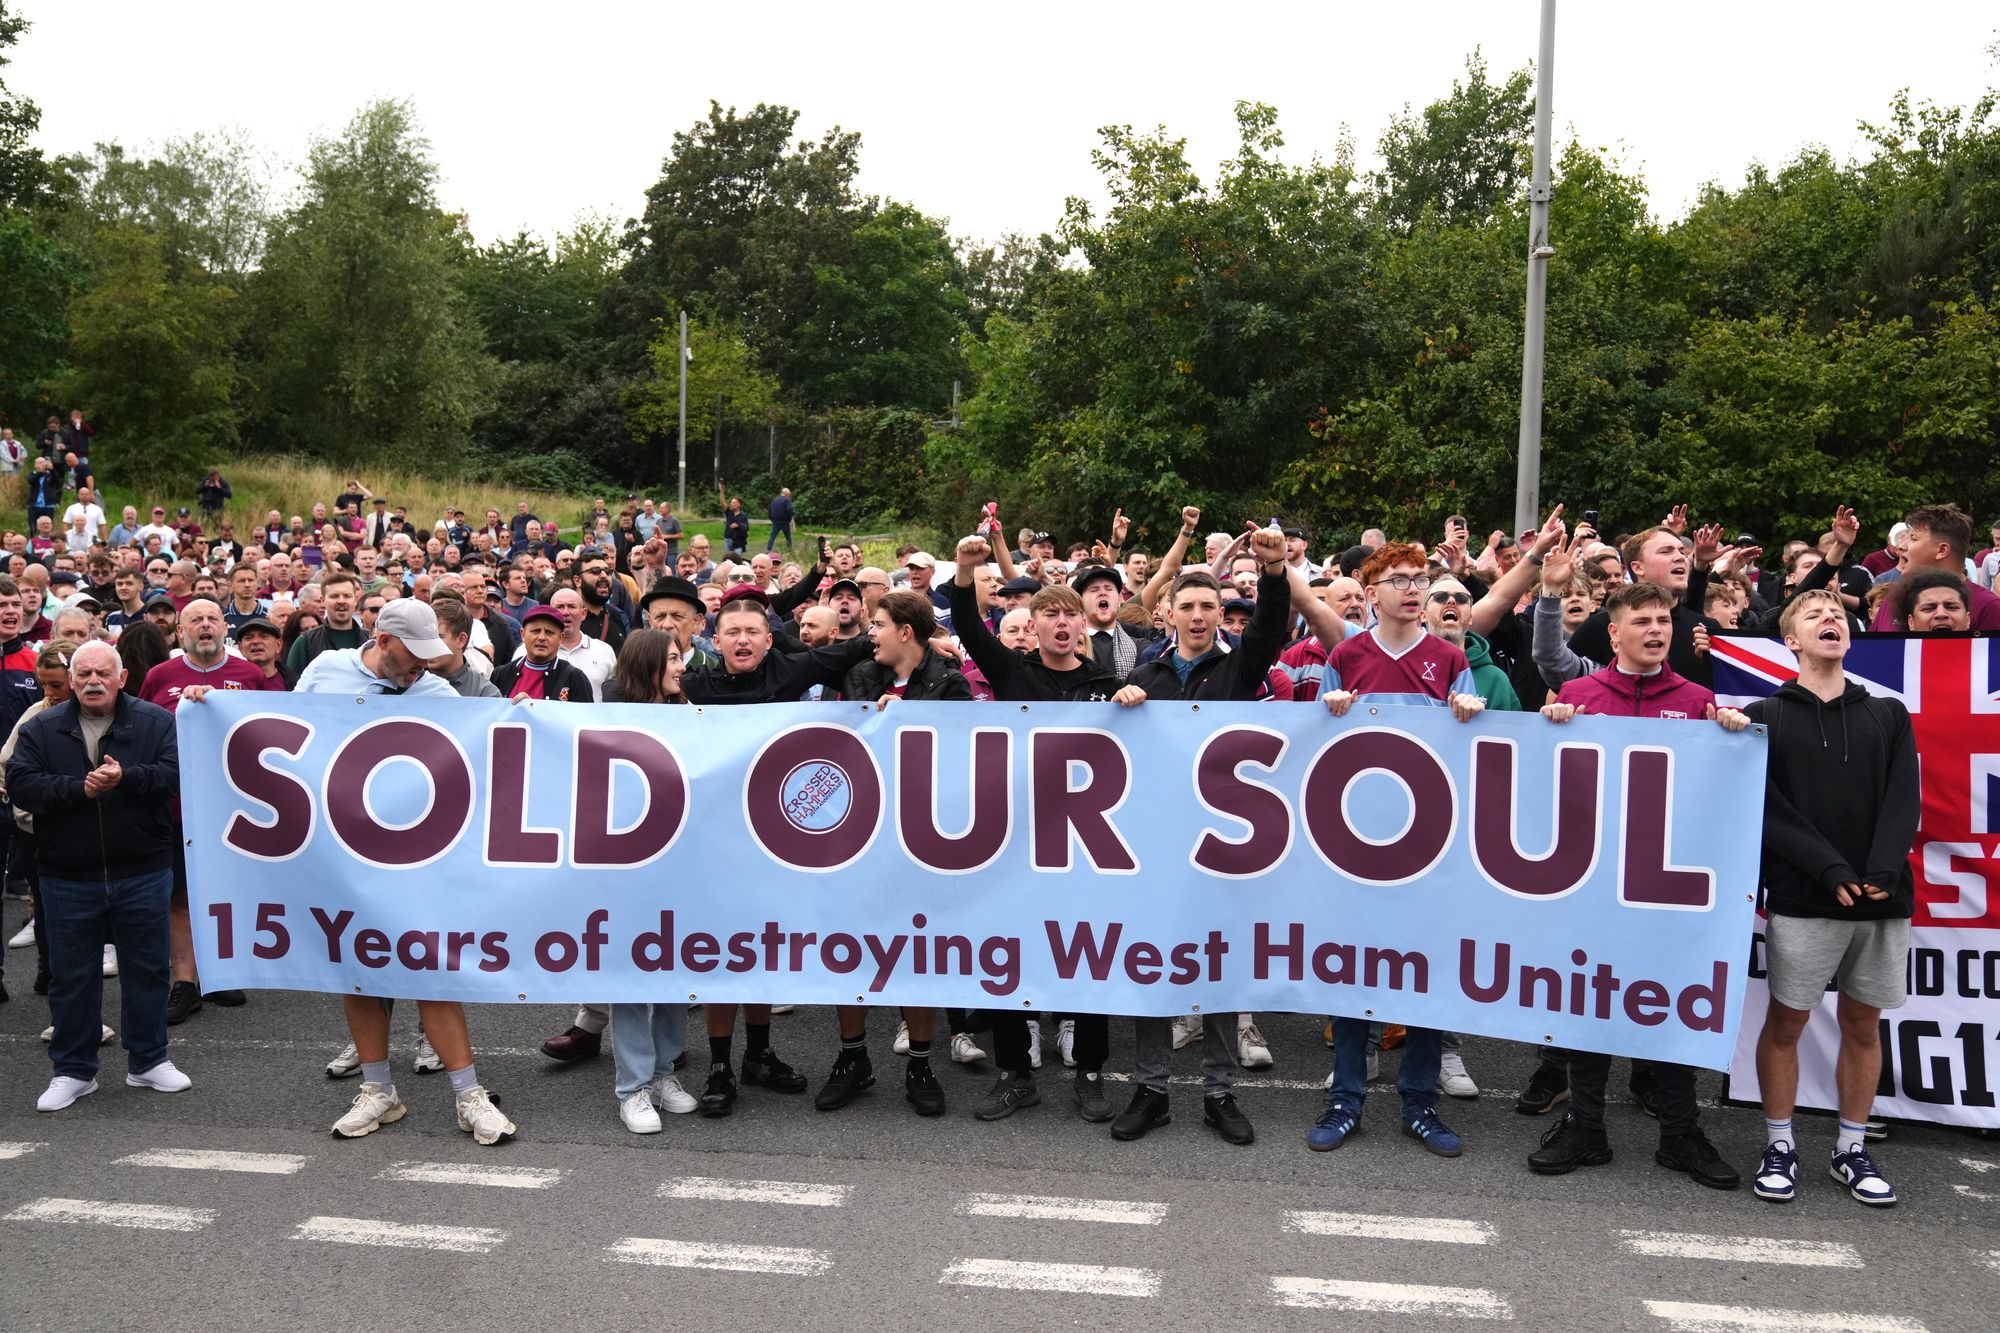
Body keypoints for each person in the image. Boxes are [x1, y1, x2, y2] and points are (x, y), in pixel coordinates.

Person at [1524, 582, 1752, 1189]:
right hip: (1593, 885)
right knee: (1589, 1006)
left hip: (1667, 889)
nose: (1657, 631)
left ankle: (1681, 1135)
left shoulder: (1701, 699)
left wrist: (1730, 737)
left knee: (1670, 1006)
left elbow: (1722, 791)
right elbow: (1541, 791)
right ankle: (1585, 1127)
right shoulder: (1576, 695)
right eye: (1643, 622)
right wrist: (1550, 731)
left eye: (1664, 622)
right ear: (1614, 632)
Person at [267, 600, 516, 1145]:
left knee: (429, 970)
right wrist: (205, 705)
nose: (421, 667)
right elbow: (280, 734)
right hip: (341, 851)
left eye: (431, 656)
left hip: (418, 856)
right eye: (412, 655)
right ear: (382, 640)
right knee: (358, 969)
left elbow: (480, 759)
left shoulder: (438, 692)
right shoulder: (324, 669)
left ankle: (468, 1095)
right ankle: (379, 1090)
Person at [1111, 525, 1291, 1148]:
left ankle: (1219, 1092)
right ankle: (1152, 1089)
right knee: (1156, 965)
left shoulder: (1239, 664)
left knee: (1217, 967)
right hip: (1158, 849)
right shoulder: (1150, 676)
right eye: (1186, 606)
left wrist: (1272, 573)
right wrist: (1122, 701)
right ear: (1167, 612)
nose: (1195, 615)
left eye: (1207, 606)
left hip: (1223, 849)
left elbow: (1270, 626)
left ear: (1221, 613)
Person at [1309, 542, 1486, 1160]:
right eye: (1399, 581)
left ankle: (1418, 1101)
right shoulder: (1346, 655)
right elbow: (1313, 751)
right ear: (1371, 591)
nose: (1413, 591)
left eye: (1422, 581)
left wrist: (1468, 715)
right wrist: (1328, 715)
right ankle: (1347, 1096)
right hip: (1355, 846)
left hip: (1426, 849)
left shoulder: (1447, 657)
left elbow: (1468, 756)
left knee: (1423, 971)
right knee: (1355, 968)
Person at [1745, 588, 1920, 1207]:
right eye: (1814, 615)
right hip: (1805, 894)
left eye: (1838, 616)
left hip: (1881, 894)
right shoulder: (1765, 713)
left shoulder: (1888, 713)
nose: (1831, 621)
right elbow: (1768, 808)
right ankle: (1779, 1142)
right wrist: (1828, 868)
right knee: (1787, 1022)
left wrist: (1881, 870)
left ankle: (1851, 1148)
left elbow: (1905, 800)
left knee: (1862, 1025)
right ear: (1789, 640)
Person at [948, 534, 1123, 1121]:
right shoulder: (1011, 671)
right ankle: (1014, 1073)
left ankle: (1091, 1073)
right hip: (1017, 842)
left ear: (1082, 624)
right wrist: (968, 569)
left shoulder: (1106, 686)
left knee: (1086, 960)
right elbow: (970, 625)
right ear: (1034, 624)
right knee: (1011, 957)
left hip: (1083, 849)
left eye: (1070, 613)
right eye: (1049, 614)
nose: (1061, 622)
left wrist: (1134, 703)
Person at [811, 590, 974, 1119]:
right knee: (849, 946)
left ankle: (921, 1063)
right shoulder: (862, 675)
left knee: (917, 951)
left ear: (905, 631)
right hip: (860, 833)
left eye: (877, 624)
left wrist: (911, 719)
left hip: (919, 842)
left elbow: (960, 755)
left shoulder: (949, 684)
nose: (869, 632)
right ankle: (853, 1057)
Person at [11, 641, 191, 1111]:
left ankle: (149, 1060)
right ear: (71, 680)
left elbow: (177, 774)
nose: (93, 681)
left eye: (102, 673)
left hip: (143, 869)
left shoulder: (156, 721)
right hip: (67, 873)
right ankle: (72, 1069)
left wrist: (125, 778)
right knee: (71, 975)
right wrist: (79, 788)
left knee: (149, 969)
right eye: (84, 673)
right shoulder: (42, 726)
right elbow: (22, 783)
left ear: (122, 677)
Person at [139, 598, 282, 1023]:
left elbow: (270, 732)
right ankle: (185, 981)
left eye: (212, 619)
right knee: (180, 894)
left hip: (233, 810)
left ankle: (219, 971)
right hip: (175, 808)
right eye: (195, 620)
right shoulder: (159, 676)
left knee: (226, 893)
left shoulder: (249, 675)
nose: (204, 626)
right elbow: (143, 727)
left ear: (225, 629)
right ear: (180, 631)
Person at [605, 630, 702, 1132]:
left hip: (680, 868)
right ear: (646, 666)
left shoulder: (692, 714)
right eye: (671, 659)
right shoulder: (607, 720)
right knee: (630, 976)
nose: (682, 666)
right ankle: (633, 1088)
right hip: (627, 868)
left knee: (673, 974)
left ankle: (664, 1072)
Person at [492, 606, 594, 702]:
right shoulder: (500, 674)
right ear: (523, 635)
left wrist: (534, 709)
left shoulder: (575, 678)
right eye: (535, 631)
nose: (542, 637)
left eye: (549, 632)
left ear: (561, 638)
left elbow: (585, 719)